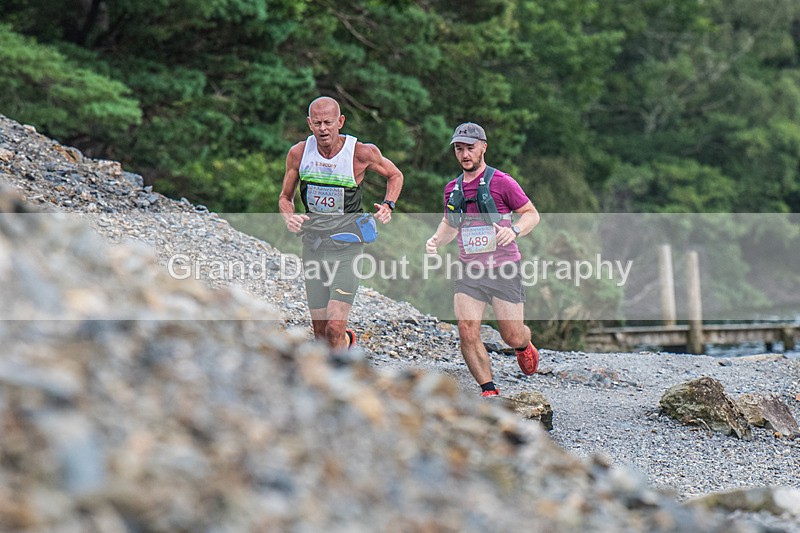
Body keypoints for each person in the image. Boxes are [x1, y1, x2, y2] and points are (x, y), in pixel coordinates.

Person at [425, 122, 540, 397]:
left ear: (483, 148)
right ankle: (489, 390)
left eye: (470, 148)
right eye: (459, 149)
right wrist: (436, 240)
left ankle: (524, 345)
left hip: (504, 269)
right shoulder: (452, 188)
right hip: (470, 271)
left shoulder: (502, 182)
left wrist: (514, 231)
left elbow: (531, 214)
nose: (464, 154)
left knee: (511, 335)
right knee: (466, 329)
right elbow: (450, 225)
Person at [279, 96, 403, 350]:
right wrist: (289, 217)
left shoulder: (360, 153)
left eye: (328, 122)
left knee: (334, 327)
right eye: (317, 123)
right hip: (313, 246)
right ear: (309, 124)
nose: (323, 129)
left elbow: (395, 174)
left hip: (348, 247)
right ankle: (343, 346)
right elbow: (285, 198)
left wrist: (388, 204)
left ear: (340, 122)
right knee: (320, 333)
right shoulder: (299, 153)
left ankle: (340, 361)